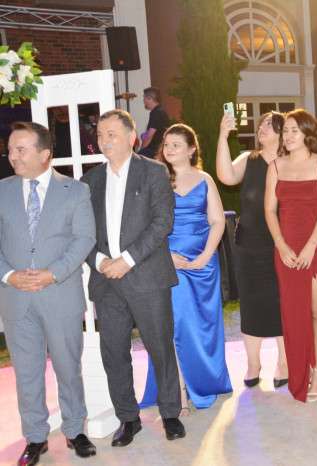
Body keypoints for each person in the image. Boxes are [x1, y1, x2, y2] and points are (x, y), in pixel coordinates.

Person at [82, 109, 185, 446]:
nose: (104, 140)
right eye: (100, 134)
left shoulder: (154, 172)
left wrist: (126, 260)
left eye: (112, 134)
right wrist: (100, 261)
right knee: (114, 353)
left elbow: (162, 223)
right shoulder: (90, 181)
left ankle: (170, 413)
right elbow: (81, 232)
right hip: (106, 281)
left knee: (160, 347)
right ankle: (128, 418)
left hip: (147, 277)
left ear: (132, 137)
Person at [0, 122, 97, 465]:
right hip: (16, 299)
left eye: (20, 149)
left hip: (60, 295)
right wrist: (8, 275)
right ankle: (35, 437)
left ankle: (74, 430)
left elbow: (84, 238)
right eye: (10, 150)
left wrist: (52, 273)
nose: (12, 156)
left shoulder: (75, 191)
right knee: (26, 373)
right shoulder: (1, 190)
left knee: (68, 369)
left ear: (44, 154)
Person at [140, 124, 232, 411]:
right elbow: (144, 226)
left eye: (176, 145)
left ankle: (205, 380)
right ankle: (178, 389)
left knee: (202, 325)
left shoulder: (204, 179)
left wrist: (206, 256)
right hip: (168, 262)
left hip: (203, 264)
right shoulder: (156, 179)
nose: (169, 149)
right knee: (174, 325)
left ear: (191, 149)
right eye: (166, 144)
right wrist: (165, 256)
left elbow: (217, 220)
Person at [264, 108, 317, 402]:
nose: (288, 135)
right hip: (285, 248)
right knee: (295, 313)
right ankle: (300, 370)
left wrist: (310, 246)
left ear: (308, 132)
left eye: (294, 130)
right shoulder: (275, 166)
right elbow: (269, 210)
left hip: (316, 246)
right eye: (285, 130)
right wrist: (281, 245)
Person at [216, 111, 288, 388]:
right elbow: (226, 176)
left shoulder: (291, 163)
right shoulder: (249, 159)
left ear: (282, 132)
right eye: (261, 124)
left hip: (281, 244)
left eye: (270, 125)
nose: (262, 128)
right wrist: (223, 135)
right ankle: (253, 364)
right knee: (251, 304)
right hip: (248, 244)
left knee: (281, 303)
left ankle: (284, 362)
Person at [138, 87, 170, 158]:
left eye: (144, 98)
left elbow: (149, 136)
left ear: (150, 98)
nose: (143, 100)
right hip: (158, 150)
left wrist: (140, 152)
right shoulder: (159, 111)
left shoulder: (156, 113)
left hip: (154, 151)